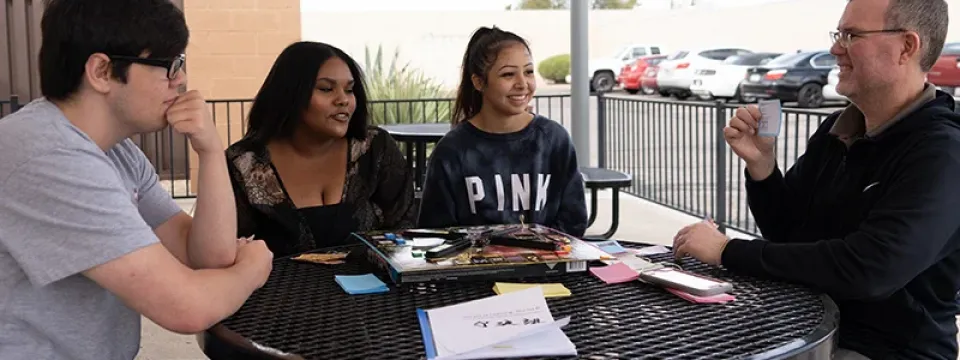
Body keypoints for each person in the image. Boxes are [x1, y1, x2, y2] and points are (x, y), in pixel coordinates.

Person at [673, 0, 959, 359]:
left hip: (884, 348)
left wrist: (727, 250)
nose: (835, 48)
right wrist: (762, 166)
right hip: (806, 325)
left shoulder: (942, 152)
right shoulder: (837, 131)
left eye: (851, 35)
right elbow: (788, 233)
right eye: (839, 34)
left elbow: (868, 270)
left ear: (907, 46)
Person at [0, 0, 275, 359]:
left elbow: (207, 258)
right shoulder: (46, 154)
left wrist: (209, 151)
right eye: (169, 65)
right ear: (101, 71)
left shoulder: (116, 151)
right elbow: (186, 306)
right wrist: (253, 268)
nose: (182, 81)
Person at [227, 41, 416, 258]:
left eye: (349, 89)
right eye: (326, 89)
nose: (343, 100)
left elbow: (405, 228)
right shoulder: (244, 165)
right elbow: (227, 251)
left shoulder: (374, 148)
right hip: (279, 291)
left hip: (378, 287)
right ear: (291, 94)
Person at [417, 26, 588, 237]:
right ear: (479, 82)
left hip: (547, 268)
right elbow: (436, 233)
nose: (523, 83)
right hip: (474, 269)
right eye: (508, 74)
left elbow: (574, 221)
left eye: (528, 71)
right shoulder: (452, 151)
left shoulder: (554, 140)